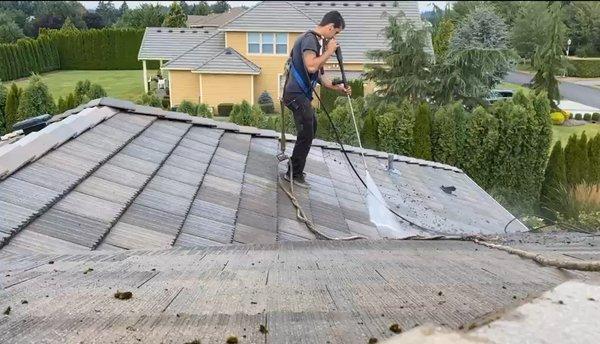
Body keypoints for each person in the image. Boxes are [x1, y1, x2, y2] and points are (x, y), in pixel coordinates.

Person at [282, 10, 350, 188]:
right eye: (335, 32)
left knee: (311, 127)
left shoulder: (317, 44)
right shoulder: (310, 39)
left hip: (301, 94)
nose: (334, 38)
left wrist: (338, 88)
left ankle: (295, 168)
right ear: (330, 27)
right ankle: (293, 174)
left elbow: (319, 77)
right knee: (306, 131)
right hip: (295, 94)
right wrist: (329, 51)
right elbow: (311, 66)